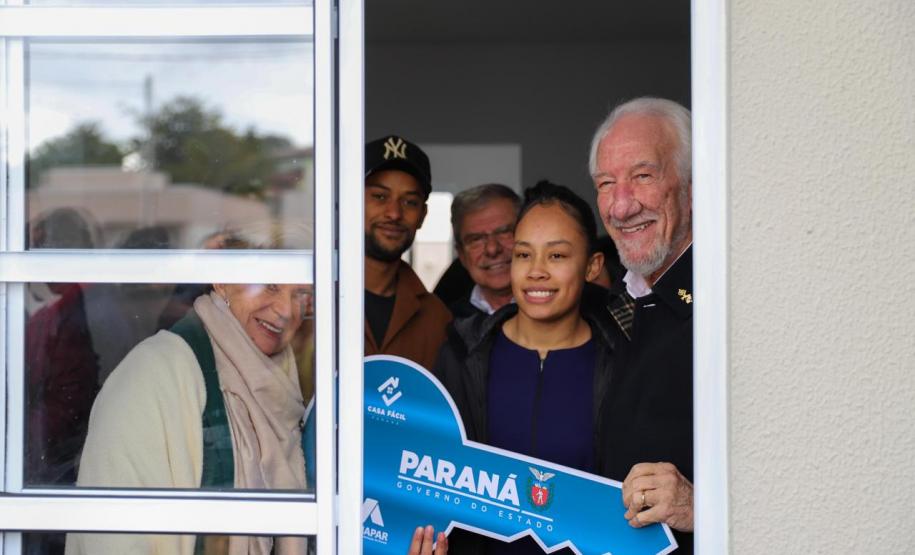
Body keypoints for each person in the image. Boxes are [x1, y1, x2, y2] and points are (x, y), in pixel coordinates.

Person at [67, 230, 312, 555]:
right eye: (270, 285)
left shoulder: (286, 382)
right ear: (223, 282)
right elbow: (112, 536)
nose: (286, 310)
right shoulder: (151, 373)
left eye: (300, 295)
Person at [433, 180, 612, 554]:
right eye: (523, 255)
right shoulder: (461, 357)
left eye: (558, 256)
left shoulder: (620, 362)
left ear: (592, 266)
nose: (536, 272)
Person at [589, 97, 694, 552]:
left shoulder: (736, 301)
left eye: (643, 176)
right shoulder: (620, 301)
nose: (622, 205)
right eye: (607, 183)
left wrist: (700, 506)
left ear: (691, 184)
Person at [363, 135, 452, 371]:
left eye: (409, 202)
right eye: (379, 197)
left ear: (422, 216)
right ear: (351, 202)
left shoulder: (436, 317)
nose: (394, 213)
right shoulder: (310, 298)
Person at [447, 184, 520, 319]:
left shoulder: (561, 312)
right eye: (476, 239)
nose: (492, 249)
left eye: (504, 232)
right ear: (462, 256)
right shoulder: (444, 324)